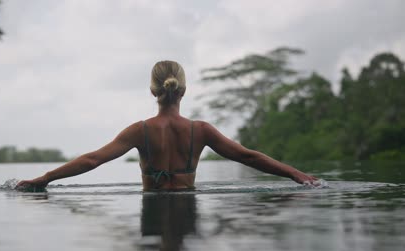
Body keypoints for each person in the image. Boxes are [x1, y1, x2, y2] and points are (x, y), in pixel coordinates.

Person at [16, 60, 318, 191]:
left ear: (152, 91)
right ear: (183, 91)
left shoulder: (140, 130)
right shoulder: (200, 130)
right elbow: (248, 156)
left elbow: (93, 159)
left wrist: (44, 178)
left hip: (153, 209)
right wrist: (297, 175)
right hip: (188, 206)